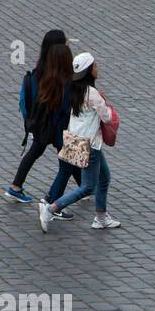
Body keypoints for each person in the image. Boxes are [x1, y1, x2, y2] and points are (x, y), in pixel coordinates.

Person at [40, 52, 120, 232]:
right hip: (90, 146)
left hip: (76, 141)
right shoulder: (92, 93)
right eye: (95, 66)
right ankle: (51, 208)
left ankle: (101, 217)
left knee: (104, 178)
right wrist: (105, 104)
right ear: (88, 71)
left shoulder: (74, 90)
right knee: (87, 187)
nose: (97, 68)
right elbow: (107, 118)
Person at [5, 29, 69, 204]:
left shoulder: (39, 71)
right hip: (53, 125)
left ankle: (16, 186)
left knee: (38, 151)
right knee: (67, 157)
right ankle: (83, 189)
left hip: (40, 123)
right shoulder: (56, 74)